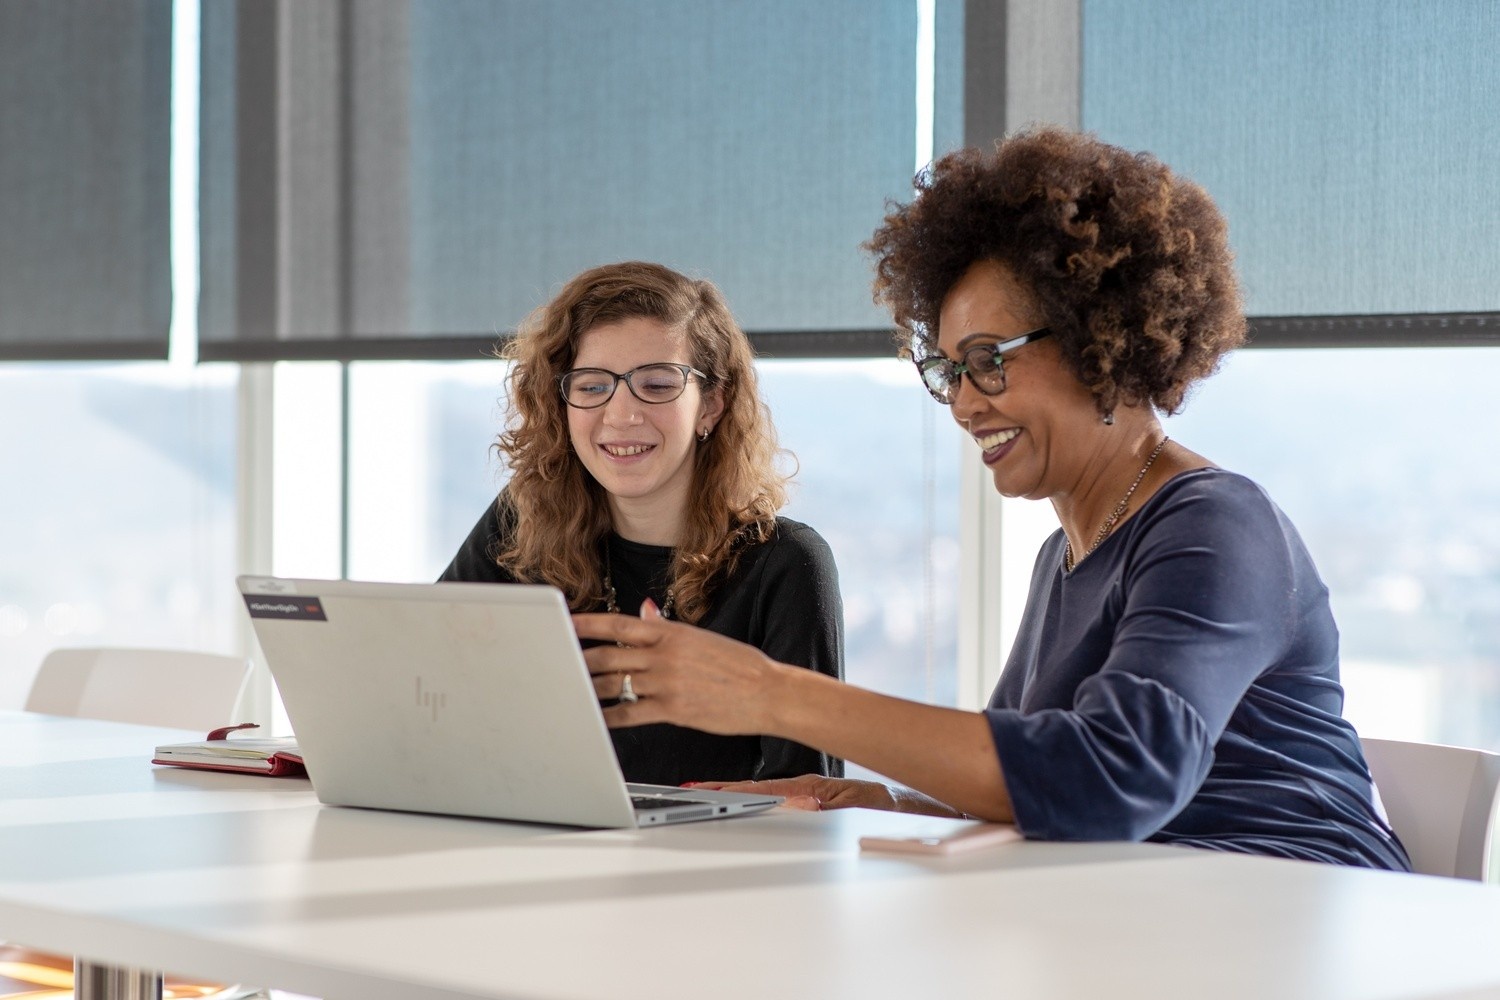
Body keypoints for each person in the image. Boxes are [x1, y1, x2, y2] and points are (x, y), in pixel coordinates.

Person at [572, 130, 1410, 870]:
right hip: (1143, 906)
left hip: (1293, 914)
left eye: (990, 358)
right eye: (950, 371)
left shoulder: (1217, 525)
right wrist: (882, 802)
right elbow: (1038, 788)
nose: (966, 403)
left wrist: (769, 692)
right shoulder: (1068, 554)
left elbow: (1112, 777)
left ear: (1100, 341)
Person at [442, 261, 844, 787]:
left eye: (656, 384)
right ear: (560, 404)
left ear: (712, 405)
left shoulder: (786, 564)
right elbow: (430, 693)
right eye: (591, 387)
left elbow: (806, 801)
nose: (621, 414)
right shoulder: (520, 524)